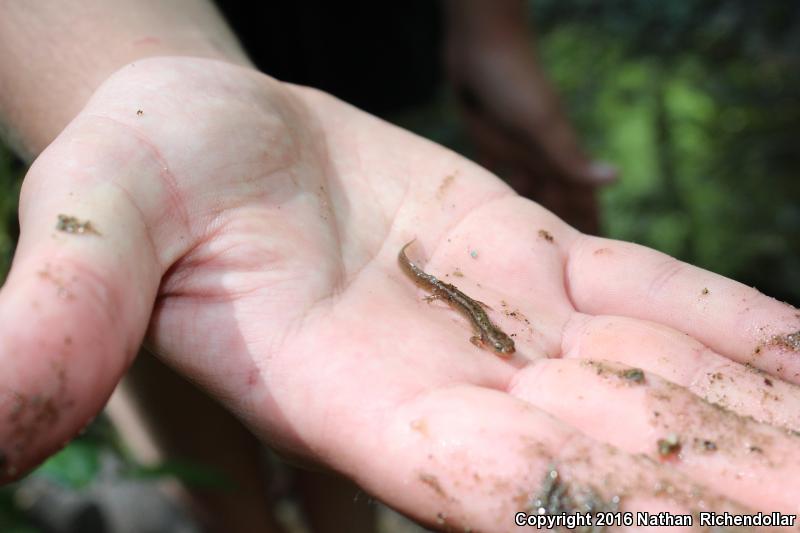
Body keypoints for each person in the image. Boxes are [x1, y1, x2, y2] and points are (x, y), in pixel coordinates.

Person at [1, 2, 800, 532]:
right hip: (220, 61)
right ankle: (222, 512)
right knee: (186, 299)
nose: (493, 339)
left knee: (335, 432)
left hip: (384, 55)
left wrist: (489, 26)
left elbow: (467, 309)